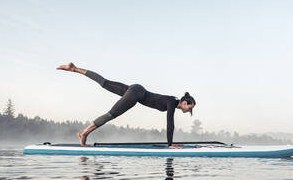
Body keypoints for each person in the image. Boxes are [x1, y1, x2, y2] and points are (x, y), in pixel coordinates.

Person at [56, 62, 196, 147]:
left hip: (136, 89)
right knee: (112, 114)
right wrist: (170, 144)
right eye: (189, 108)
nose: (188, 111)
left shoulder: (171, 100)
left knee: (104, 83)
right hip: (137, 94)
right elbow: (170, 123)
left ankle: (74, 69)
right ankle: (83, 133)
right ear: (184, 103)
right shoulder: (172, 102)